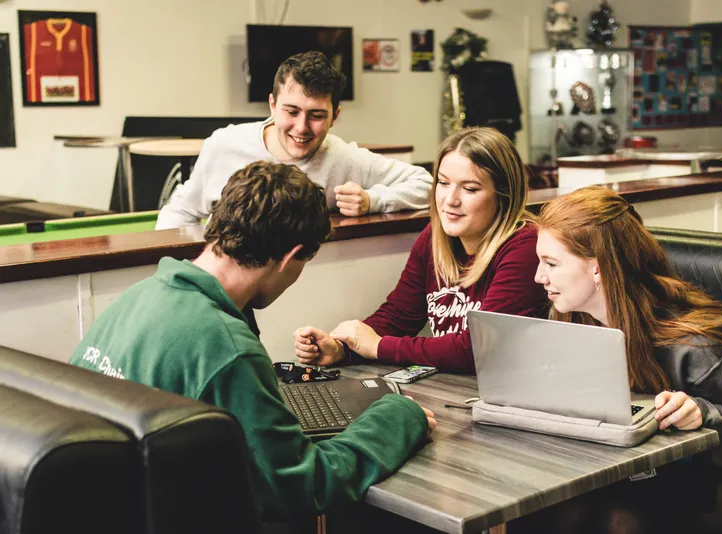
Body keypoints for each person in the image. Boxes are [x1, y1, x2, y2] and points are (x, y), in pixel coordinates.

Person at [69, 161, 436, 525]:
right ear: (291, 257)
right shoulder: (228, 347)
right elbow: (302, 486)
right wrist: (400, 416)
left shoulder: (141, 295)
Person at [525, 185, 722, 534]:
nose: (539, 277)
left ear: (598, 268)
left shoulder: (695, 344)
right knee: (553, 511)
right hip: (645, 470)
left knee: (620, 523)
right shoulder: (574, 320)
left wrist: (703, 413)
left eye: (551, 264)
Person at [293, 126, 547, 373]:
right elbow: (399, 315)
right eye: (443, 183)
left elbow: (477, 348)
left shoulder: (524, 246)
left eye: (469, 189)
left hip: (507, 394)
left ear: (503, 195)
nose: (450, 199)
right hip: (455, 388)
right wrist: (343, 347)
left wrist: (379, 347)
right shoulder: (434, 237)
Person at [156, 51, 432, 229]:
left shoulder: (345, 158)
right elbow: (180, 211)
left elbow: (426, 184)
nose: (301, 127)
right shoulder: (224, 145)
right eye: (291, 111)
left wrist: (372, 200)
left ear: (335, 115)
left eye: (316, 115)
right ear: (272, 105)